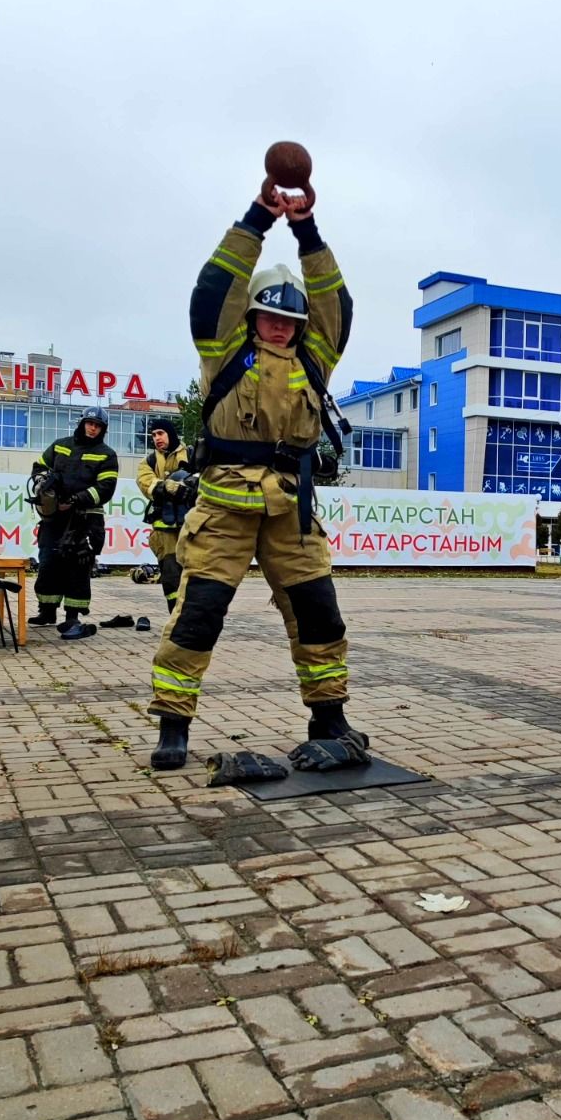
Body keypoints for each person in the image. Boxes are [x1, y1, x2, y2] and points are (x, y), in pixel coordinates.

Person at [146, 179, 355, 771]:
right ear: (254, 316)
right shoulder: (224, 351)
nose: (282, 327)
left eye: (292, 320)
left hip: (293, 510)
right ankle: (173, 723)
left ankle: (329, 715)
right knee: (199, 614)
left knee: (319, 615)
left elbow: (336, 300)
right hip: (224, 508)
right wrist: (259, 218)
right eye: (270, 316)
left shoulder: (316, 357)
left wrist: (307, 228)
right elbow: (216, 288)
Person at [29, 407, 118, 639]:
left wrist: (76, 499)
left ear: (103, 430)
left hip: (86, 519)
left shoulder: (106, 454)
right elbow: (39, 466)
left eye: (98, 426)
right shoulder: (60, 445)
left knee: (78, 566)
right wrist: (42, 482)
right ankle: (47, 611)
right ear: (82, 423)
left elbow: (105, 488)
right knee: (48, 560)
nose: (93, 428)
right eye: (90, 423)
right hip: (55, 516)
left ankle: (73, 617)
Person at [136, 417, 193, 612]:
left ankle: (193, 619)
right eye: (153, 435)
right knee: (170, 576)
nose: (157, 438)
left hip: (192, 526)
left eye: (161, 433)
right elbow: (146, 483)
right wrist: (168, 487)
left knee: (195, 573)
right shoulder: (149, 461)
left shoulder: (192, 454)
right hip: (164, 530)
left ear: (171, 434)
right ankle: (175, 617)